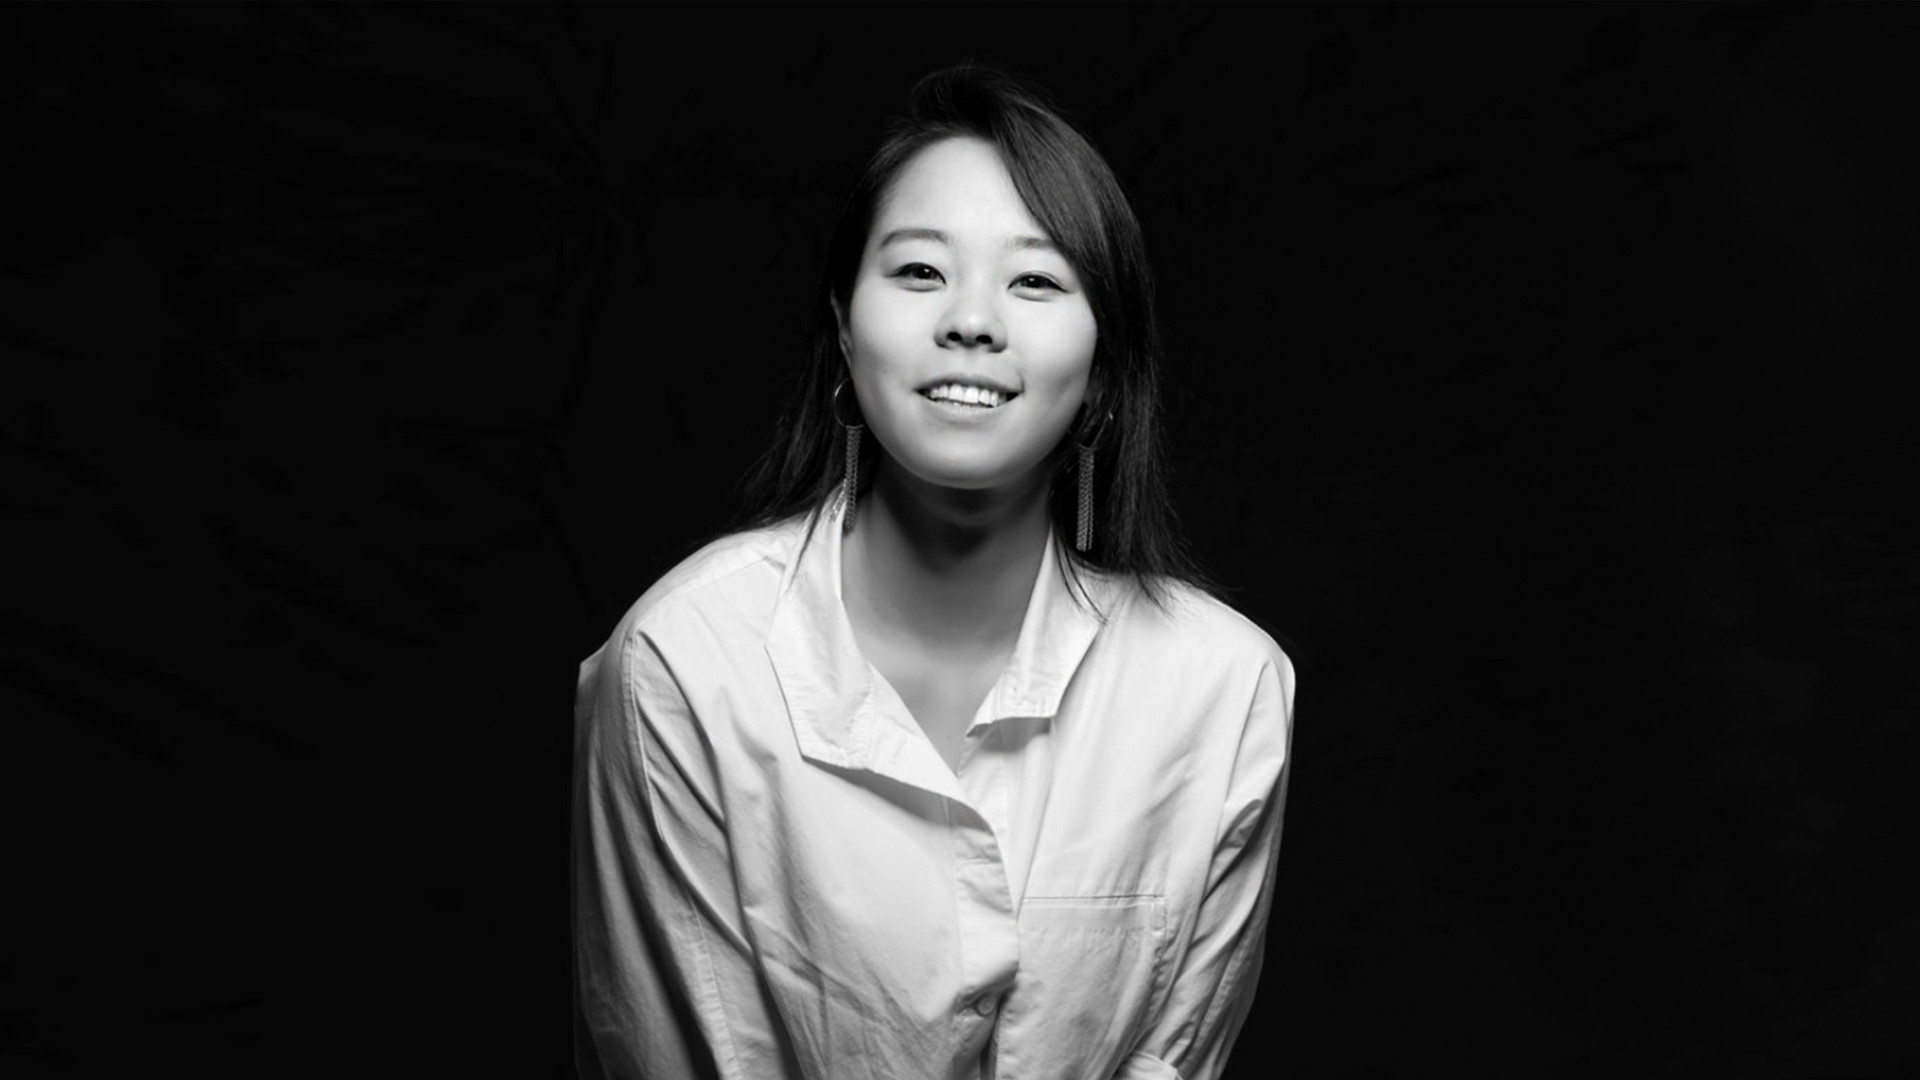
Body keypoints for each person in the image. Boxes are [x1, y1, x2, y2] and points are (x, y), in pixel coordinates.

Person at [572, 63, 1296, 1080]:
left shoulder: (1224, 686)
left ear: (1105, 362)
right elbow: (680, 1048)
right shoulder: (686, 660)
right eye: (919, 271)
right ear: (843, 325)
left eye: (1035, 280)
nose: (971, 321)